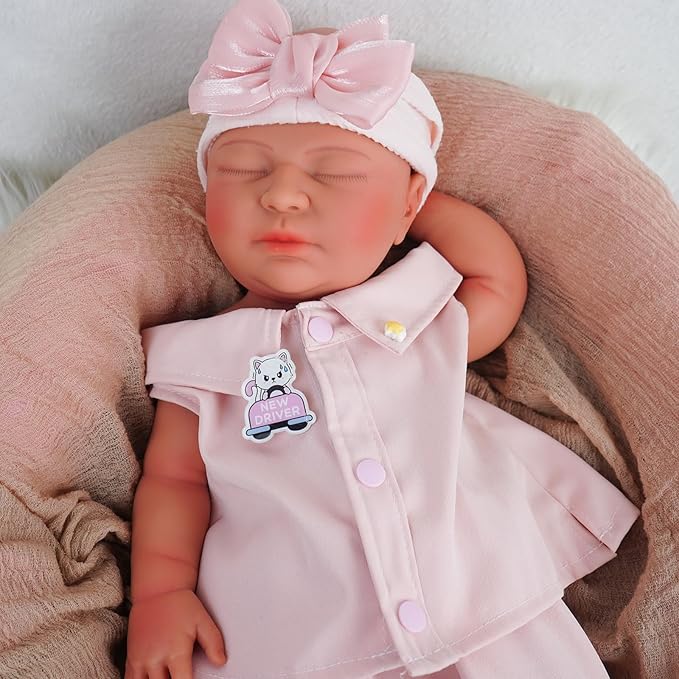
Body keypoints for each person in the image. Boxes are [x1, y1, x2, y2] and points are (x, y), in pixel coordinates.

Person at [125, 1, 640, 677]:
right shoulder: (203, 356)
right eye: (245, 169)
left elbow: (494, 278)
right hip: (300, 627)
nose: (283, 196)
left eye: (335, 174)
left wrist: (404, 208)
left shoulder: (404, 313)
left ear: (409, 204)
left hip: (471, 602)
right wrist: (160, 593)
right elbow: (173, 481)